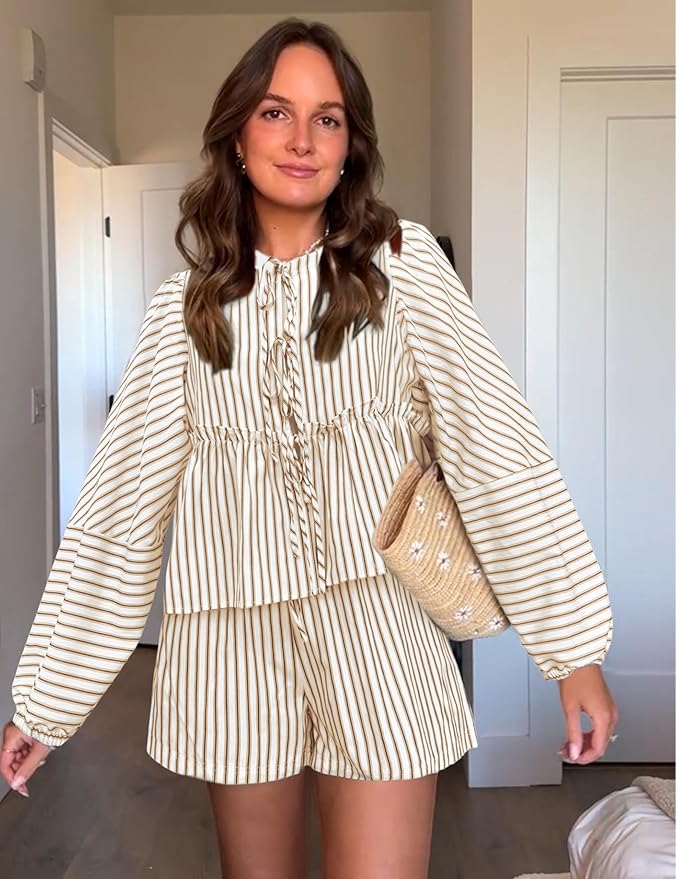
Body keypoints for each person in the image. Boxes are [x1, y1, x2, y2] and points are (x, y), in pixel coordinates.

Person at [1, 18, 618, 879]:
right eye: (275, 112)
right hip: (232, 645)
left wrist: (572, 646)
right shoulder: (184, 314)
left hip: (380, 630)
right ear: (237, 136)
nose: (301, 139)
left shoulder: (403, 269)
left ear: (349, 144)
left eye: (327, 118)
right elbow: (119, 515)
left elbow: (497, 448)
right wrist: (49, 700)